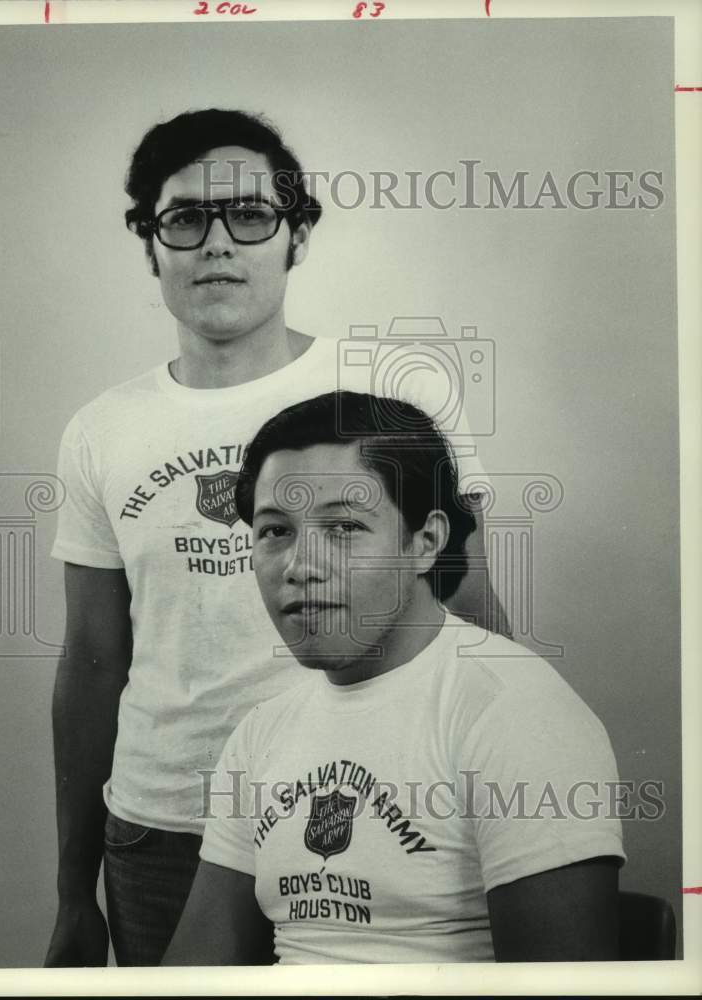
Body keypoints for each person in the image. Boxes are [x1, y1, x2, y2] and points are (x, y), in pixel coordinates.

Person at [45, 108, 506, 967]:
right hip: (163, 830)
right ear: (152, 244)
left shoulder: (390, 392)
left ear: (295, 237)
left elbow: (476, 621)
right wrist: (74, 892)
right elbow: (93, 661)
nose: (217, 244)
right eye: (185, 219)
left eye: (251, 215)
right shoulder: (99, 430)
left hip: (372, 805)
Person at [164, 391, 625, 965]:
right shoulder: (262, 732)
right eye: (275, 531)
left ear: (426, 542)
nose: (301, 566)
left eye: (345, 527)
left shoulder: (514, 714)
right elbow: (195, 972)